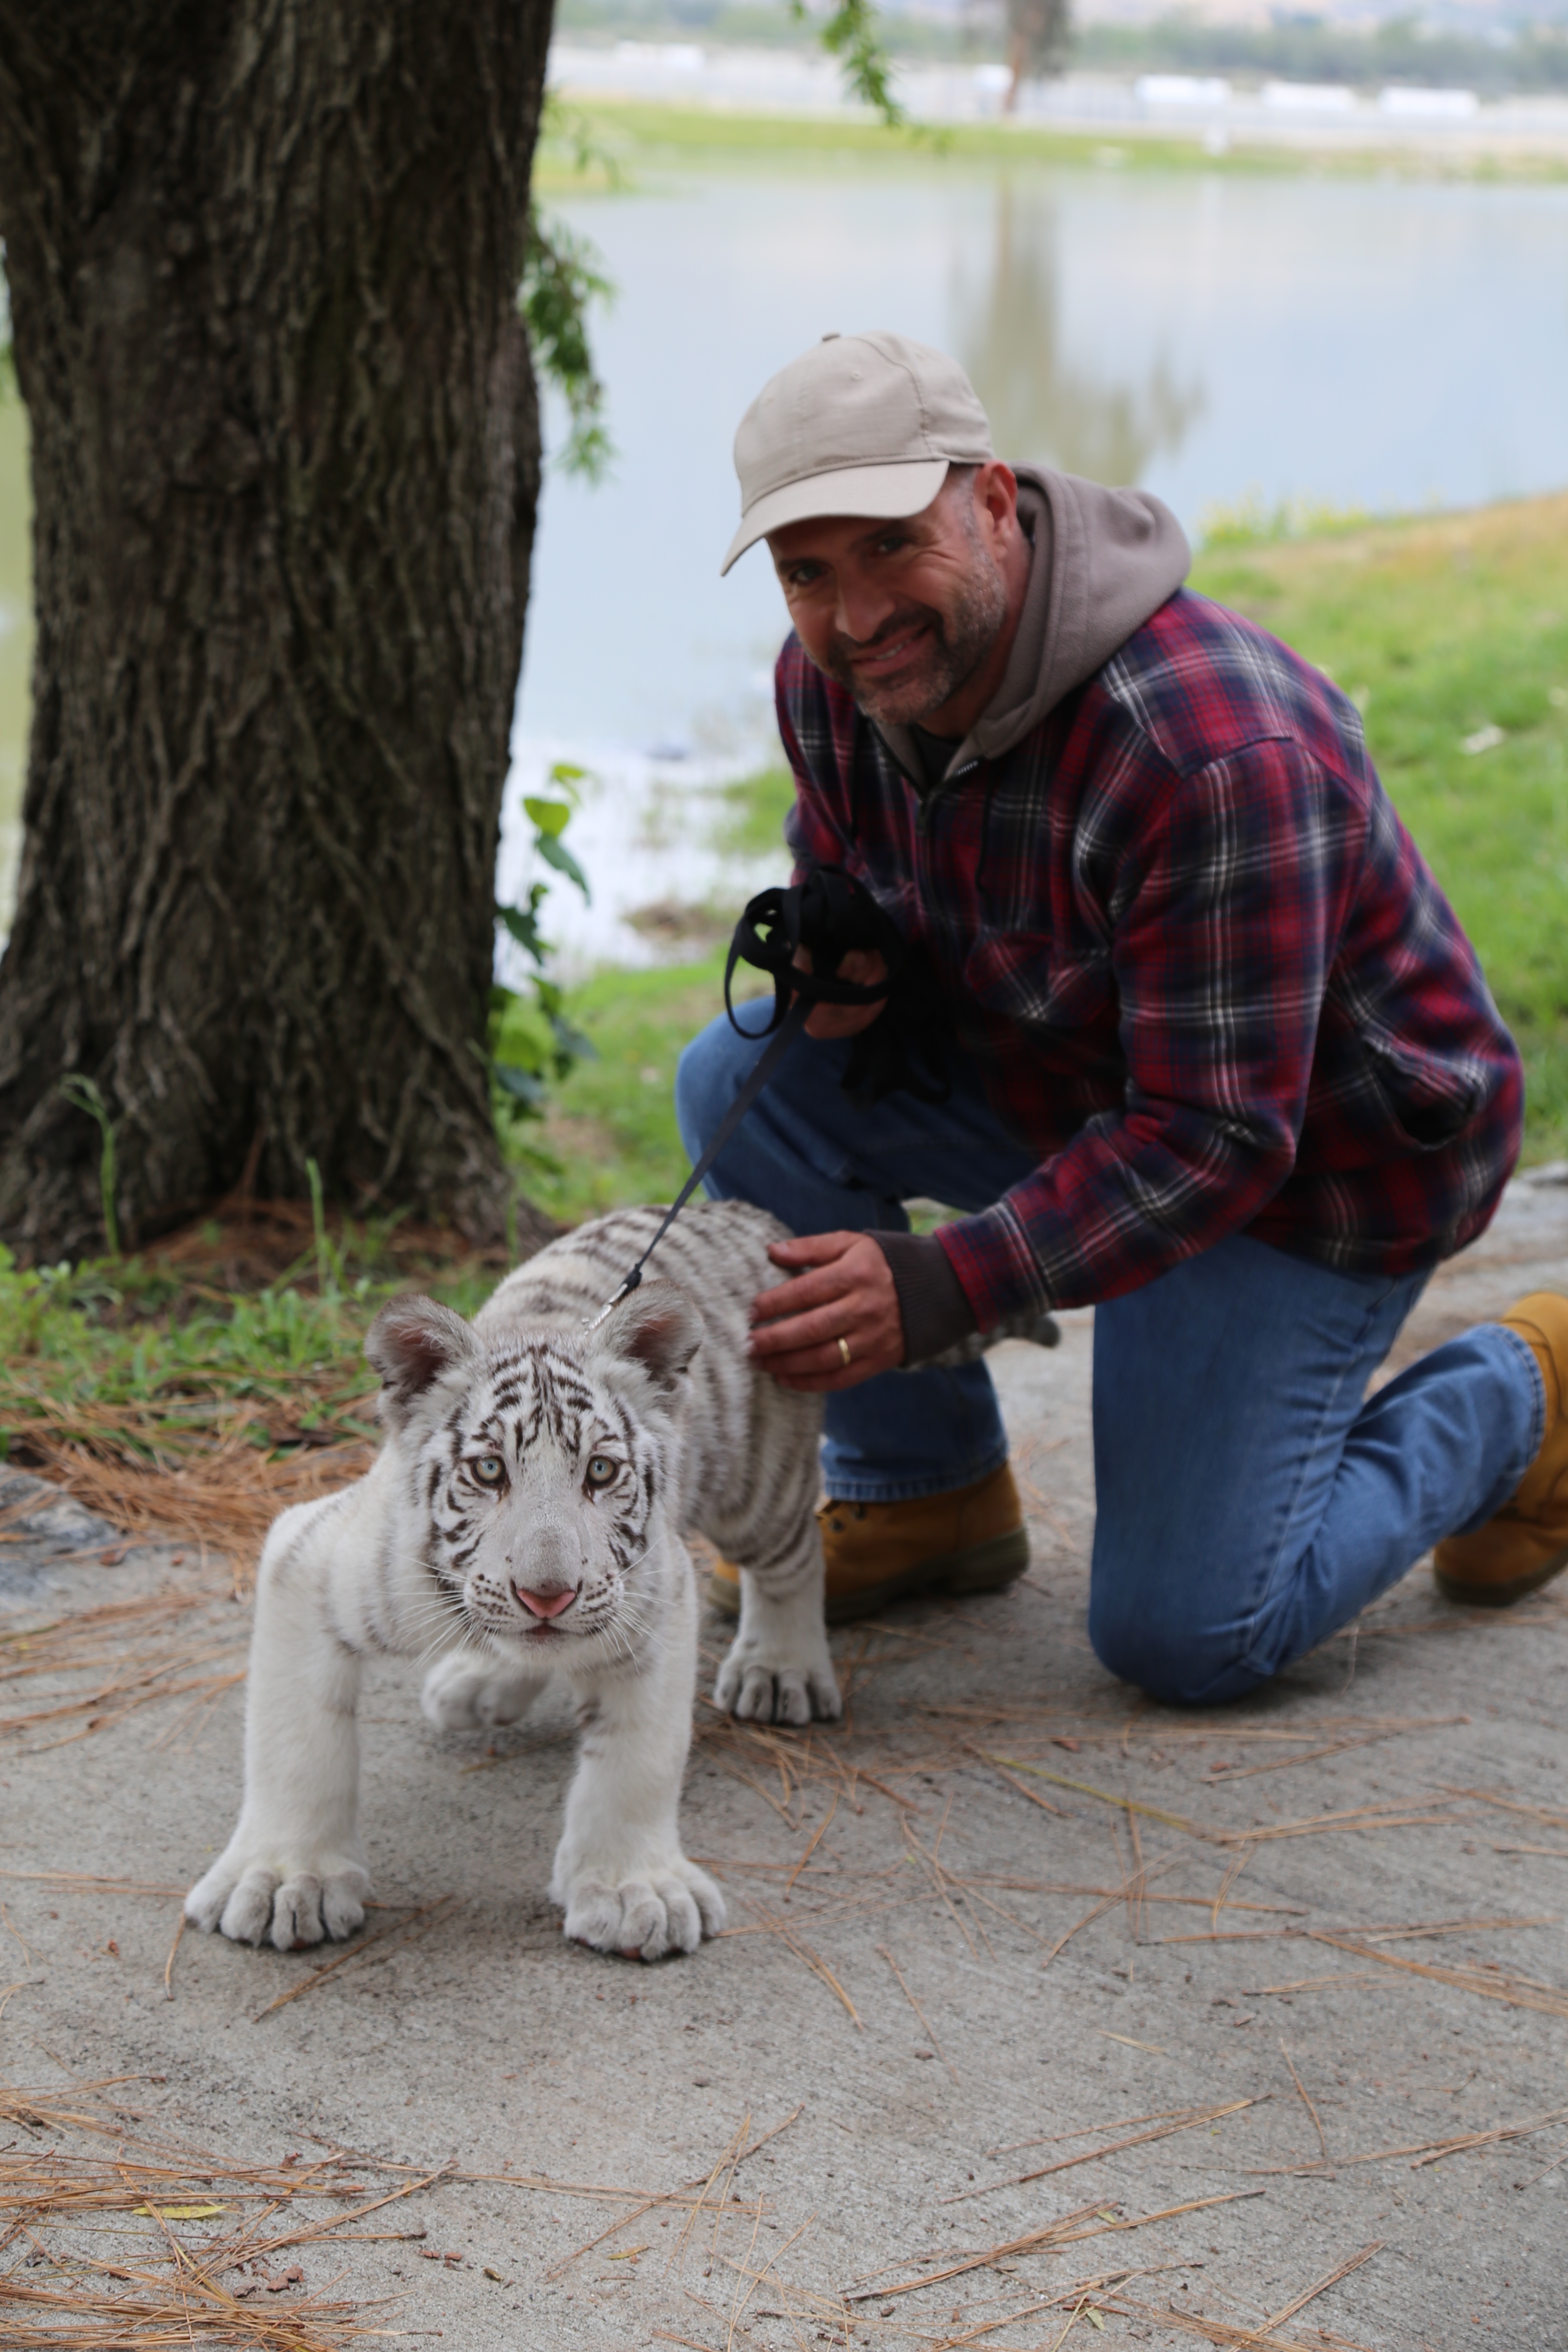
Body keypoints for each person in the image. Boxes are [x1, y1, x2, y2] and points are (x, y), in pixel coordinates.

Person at [674, 330, 1567, 1706]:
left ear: (988, 498)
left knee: (1187, 1636)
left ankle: (1526, 1394)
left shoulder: (1207, 744)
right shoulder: (836, 689)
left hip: (1318, 1168)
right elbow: (855, 896)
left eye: (889, 549)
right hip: (1075, 1085)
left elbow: (1215, 1136)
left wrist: (950, 1282)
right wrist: (853, 970)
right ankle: (927, 1490)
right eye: (807, 574)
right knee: (741, 1073)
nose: (853, 619)